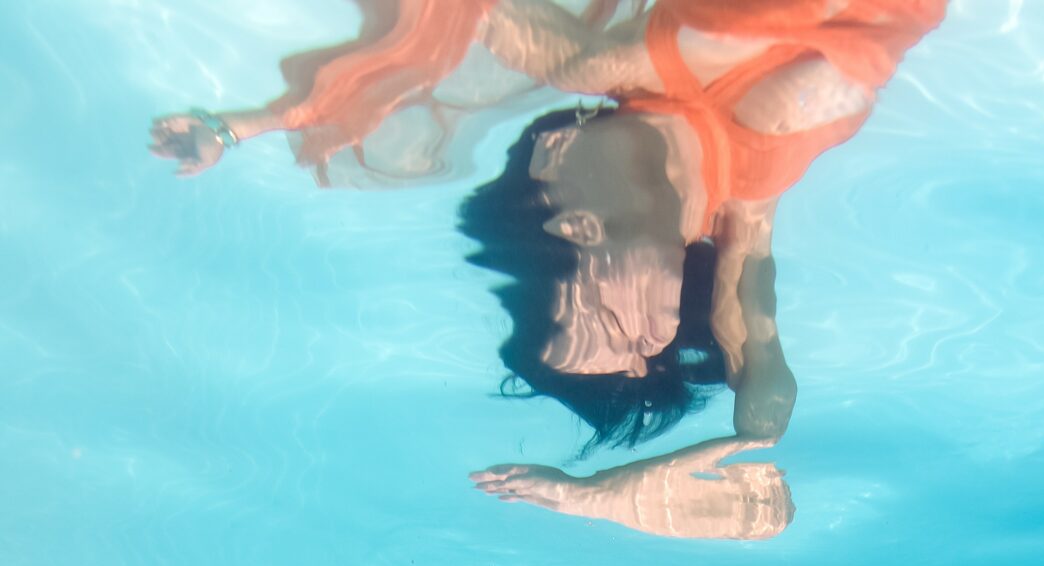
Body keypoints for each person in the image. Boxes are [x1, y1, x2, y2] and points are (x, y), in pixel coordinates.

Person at [148, 0, 951, 538]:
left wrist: (242, 123)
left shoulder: (593, 66)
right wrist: (601, 496)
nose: (574, 237)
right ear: (668, 327)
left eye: (558, 263)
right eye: (612, 321)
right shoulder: (749, 201)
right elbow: (763, 440)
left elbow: (459, 14)